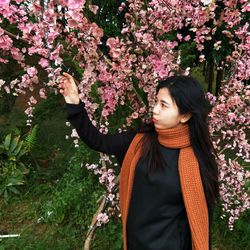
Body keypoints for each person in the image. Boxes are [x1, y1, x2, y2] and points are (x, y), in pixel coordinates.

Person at [58, 72, 219, 250]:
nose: (155, 109)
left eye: (164, 105)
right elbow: (98, 141)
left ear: (185, 115)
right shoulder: (140, 142)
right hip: (136, 242)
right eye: (156, 102)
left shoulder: (198, 160)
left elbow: (201, 218)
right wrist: (74, 104)